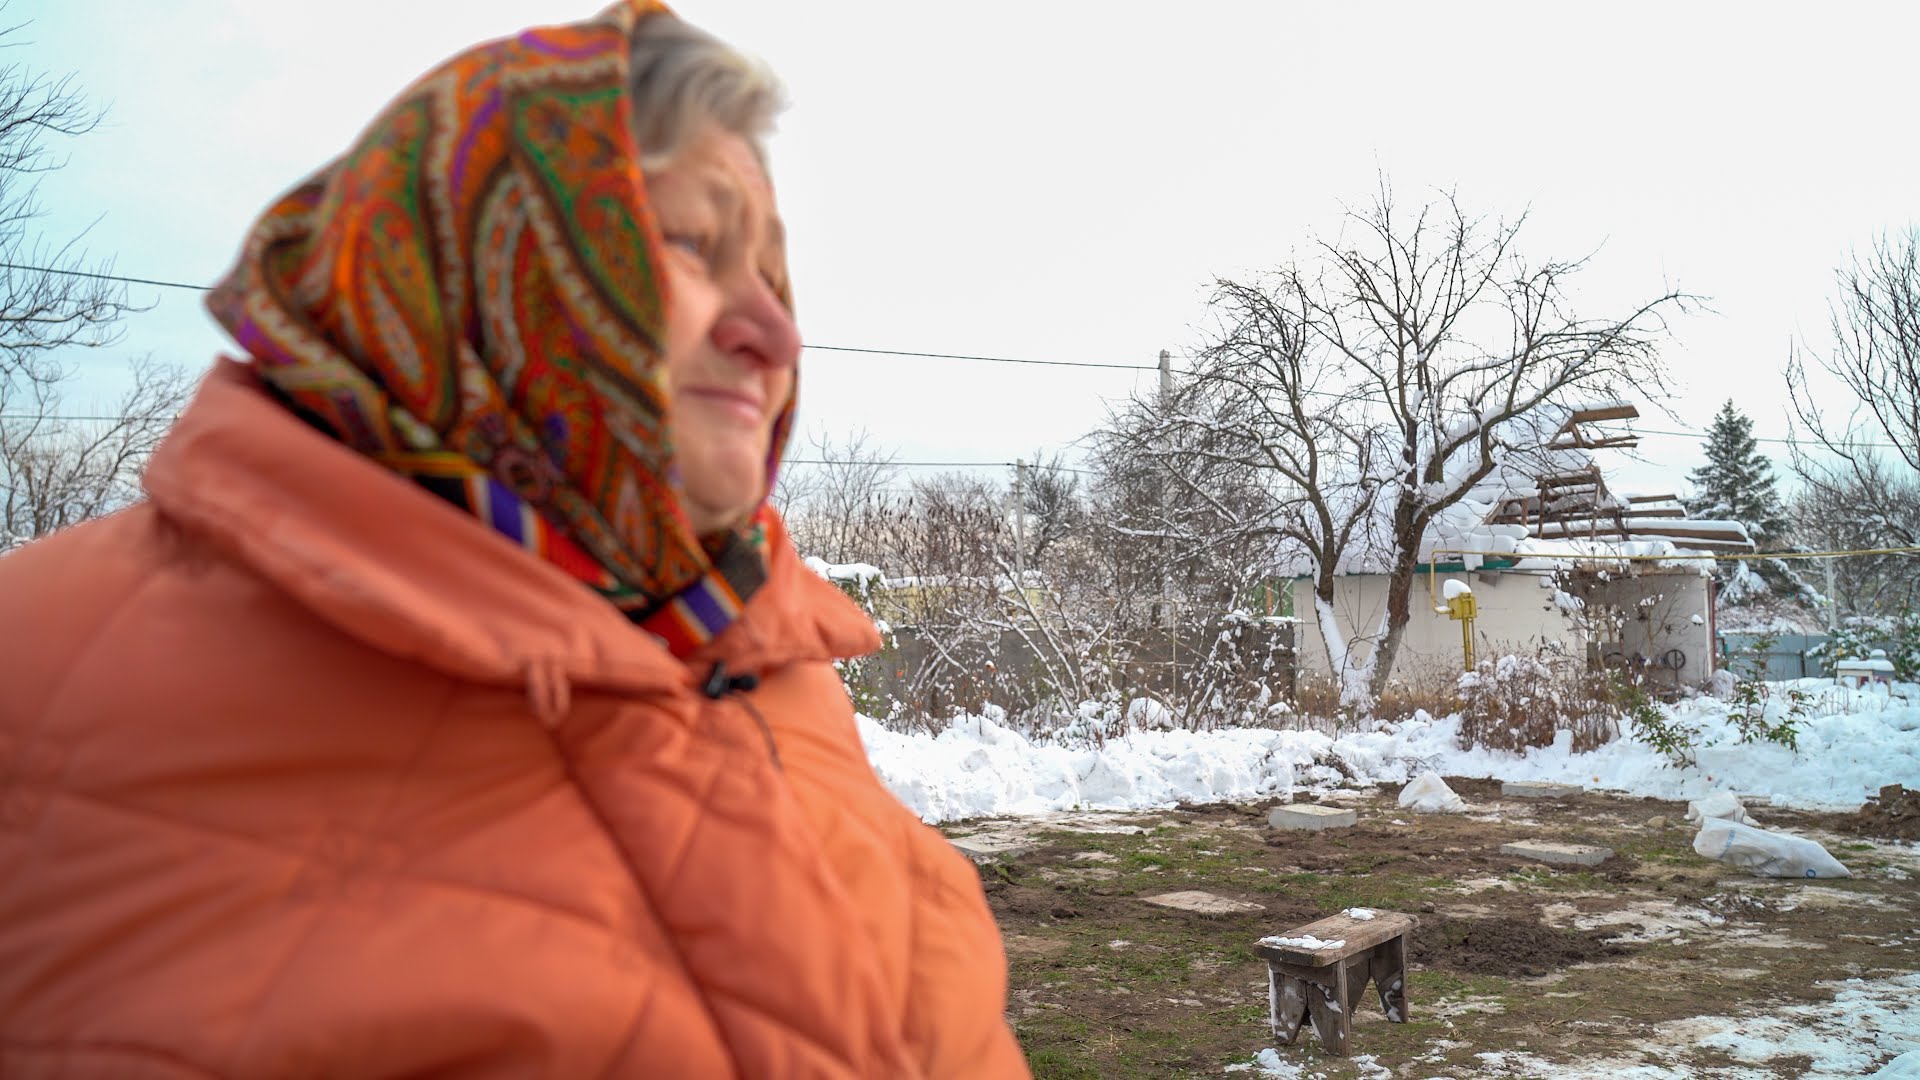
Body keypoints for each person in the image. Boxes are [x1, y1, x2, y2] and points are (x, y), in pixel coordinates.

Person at [0, 3, 1029, 1076]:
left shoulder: (769, 658)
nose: (773, 332)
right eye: (688, 240)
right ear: (485, 253)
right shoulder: (34, 673)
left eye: (770, 272)